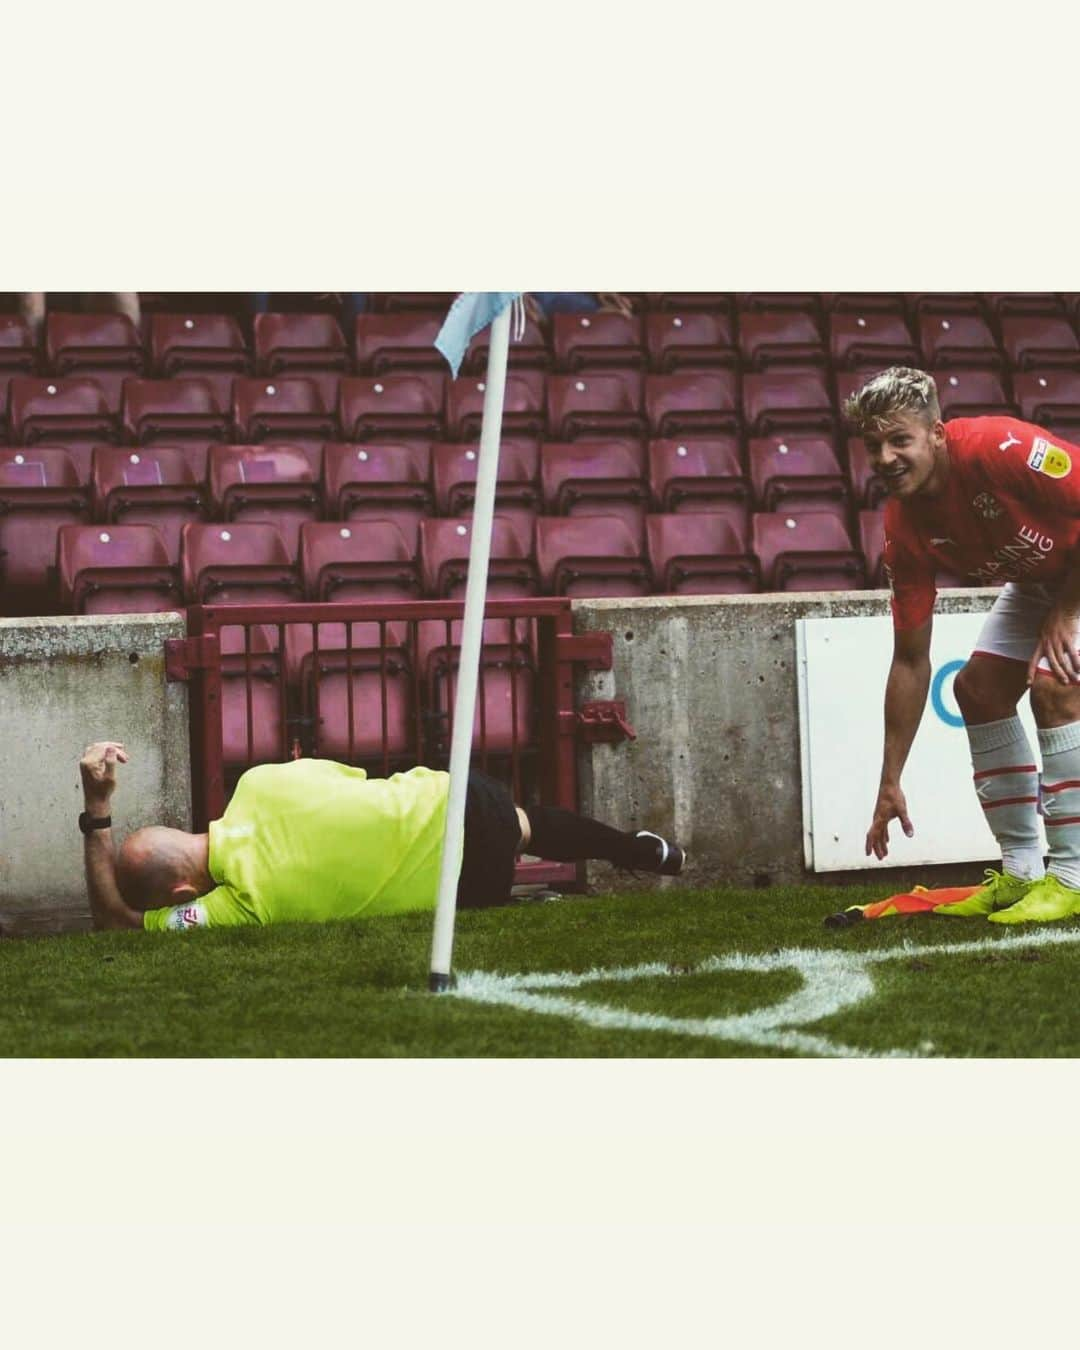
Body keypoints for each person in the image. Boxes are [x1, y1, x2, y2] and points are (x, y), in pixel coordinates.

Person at [849, 366, 1080, 924]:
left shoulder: (1003, 448)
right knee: (975, 691)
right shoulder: (902, 526)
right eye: (873, 445)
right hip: (1042, 579)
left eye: (899, 439)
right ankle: (1021, 873)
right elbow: (909, 659)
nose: (885, 459)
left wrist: (1068, 608)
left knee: (1054, 683)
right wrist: (889, 779)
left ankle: (1073, 877)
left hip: (1070, 580)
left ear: (936, 433)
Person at [78, 742, 685, 932]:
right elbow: (350, 778)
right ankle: (628, 848)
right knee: (525, 824)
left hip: (468, 885)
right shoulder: (258, 782)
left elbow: (114, 920)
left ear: (184, 892)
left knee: (495, 866)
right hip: (461, 802)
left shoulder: (241, 905)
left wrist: (96, 808)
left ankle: (534, 895)